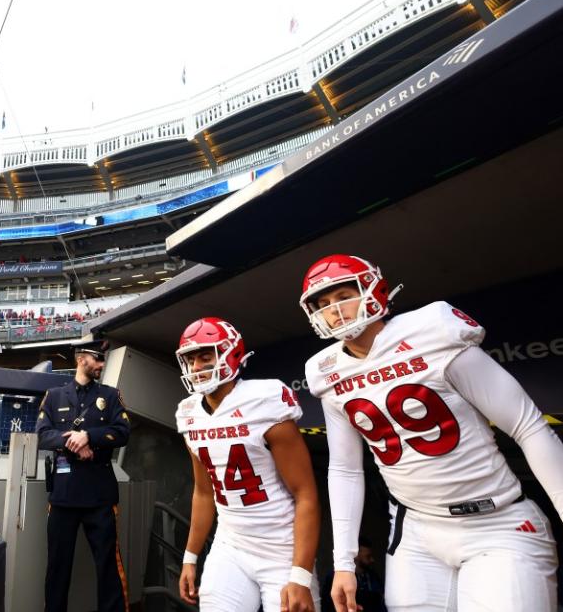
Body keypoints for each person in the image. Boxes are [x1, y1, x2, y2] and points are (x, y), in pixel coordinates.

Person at [299, 254, 563, 612]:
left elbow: (527, 426)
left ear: (374, 290)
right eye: (324, 304)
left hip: (497, 521)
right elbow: (345, 468)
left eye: (344, 295)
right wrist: (343, 561)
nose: (335, 309)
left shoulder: (431, 329)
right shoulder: (324, 370)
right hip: (417, 532)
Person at [175, 317, 320, 612]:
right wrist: (190, 557)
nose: (198, 367)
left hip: (281, 546)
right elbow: (204, 493)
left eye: (206, 356)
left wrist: (301, 574)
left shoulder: (263, 400)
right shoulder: (188, 412)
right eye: (191, 360)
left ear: (232, 354)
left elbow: (306, 494)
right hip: (231, 545)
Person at [35, 339, 131, 612]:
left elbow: (123, 432)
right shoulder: (54, 396)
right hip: (63, 496)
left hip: (99, 496)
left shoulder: (111, 396)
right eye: (97, 359)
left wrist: (89, 436)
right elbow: (43, 435)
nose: (101, 364)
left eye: (103, 360)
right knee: (57, 567)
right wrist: (73, 443)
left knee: (108, 567)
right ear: (81, 359)